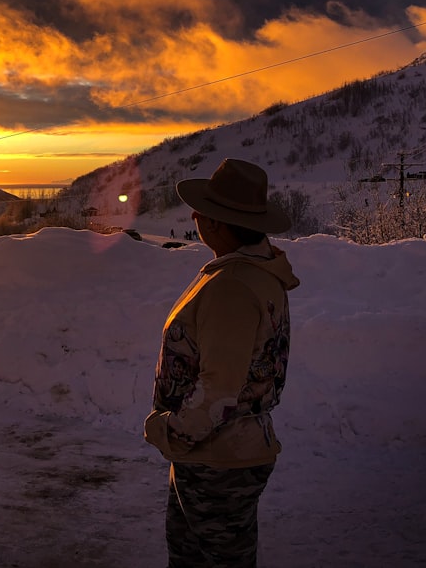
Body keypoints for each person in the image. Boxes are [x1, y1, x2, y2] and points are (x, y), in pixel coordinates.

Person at [144, 158, 300, 567]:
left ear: (218, 223)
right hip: (226, 452)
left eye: (202, 211)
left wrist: (171, 431)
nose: (194, 217)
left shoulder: (231, 286)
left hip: (218, 458)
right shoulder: (255, 274)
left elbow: (218, 389)